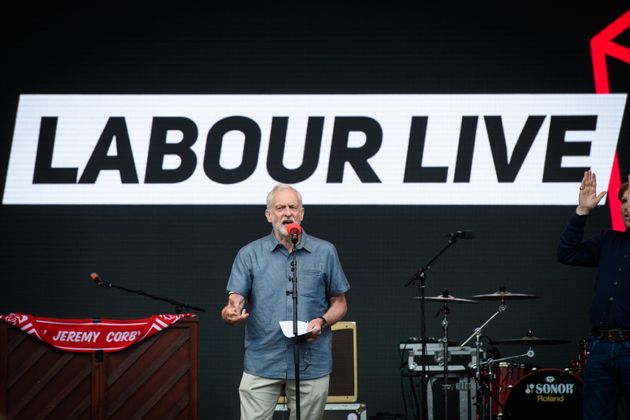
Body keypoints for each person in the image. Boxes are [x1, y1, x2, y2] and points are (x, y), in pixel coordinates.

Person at [221, 184, 350, 420]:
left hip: (311, 361)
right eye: (280, 207)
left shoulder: (325, 251)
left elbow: (340, 302)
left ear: (302, 213)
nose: (287, 213)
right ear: (269, 215)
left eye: (293, 207)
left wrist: (321, 321)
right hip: (262, 359)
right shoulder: (249, 254)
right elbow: (235, 299)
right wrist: (232, 311)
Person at [557, 169, 630, 420]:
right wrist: (582, 212)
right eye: (624, 201)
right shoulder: (609, 240)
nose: (626, 208)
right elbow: (567, 254)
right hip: (601, 347)